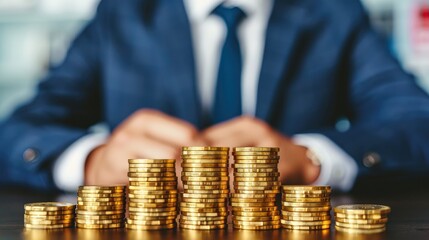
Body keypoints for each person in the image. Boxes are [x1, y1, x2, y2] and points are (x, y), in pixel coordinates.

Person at [1, 0, 429, 192]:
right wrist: (93, 161)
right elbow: (16, 133)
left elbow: (417, 122)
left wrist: (312, 157)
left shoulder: (334, 13)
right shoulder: (121, 12)